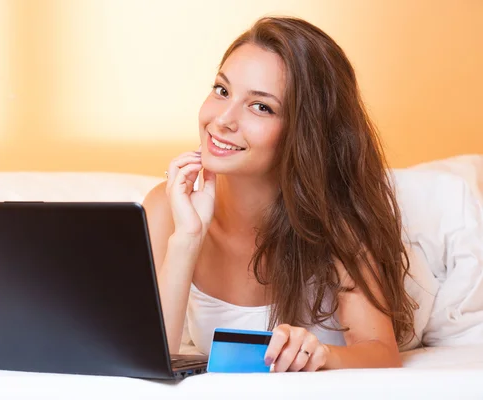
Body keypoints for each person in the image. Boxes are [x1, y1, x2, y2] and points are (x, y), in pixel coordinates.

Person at [143, 16, 417, 372]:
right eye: (222, 90)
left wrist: (323, 354)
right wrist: (188, 239)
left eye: (261, 106)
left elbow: (382, 352)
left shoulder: (339, 220)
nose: (222, 119)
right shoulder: (167, 208)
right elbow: (149, 361)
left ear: (304, 132)